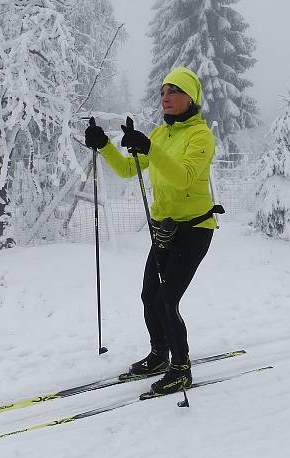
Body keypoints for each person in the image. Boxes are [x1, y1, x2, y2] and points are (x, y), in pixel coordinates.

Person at [84, 66, 218, 397]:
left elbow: (184, 177)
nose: (166, 97)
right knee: (149, 296)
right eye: (163, 91)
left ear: (191, 97)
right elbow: (129, 169)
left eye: (174, 91)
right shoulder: (161, 135)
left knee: (167, 298)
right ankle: (160, 355)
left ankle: (181, 367)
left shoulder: (200, 136)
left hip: (195, 228)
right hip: (164, 228)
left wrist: (149, 149)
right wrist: (104, 145)